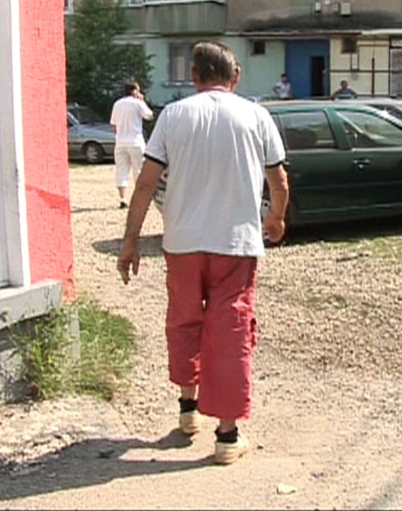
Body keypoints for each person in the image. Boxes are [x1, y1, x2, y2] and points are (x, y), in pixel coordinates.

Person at [117, 42, 289, 465]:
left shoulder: (174, 116)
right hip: (236, 244)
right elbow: (279, 180)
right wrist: (277, 218)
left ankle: (188, 412)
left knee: (184, 323)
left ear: (194, 76)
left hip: (182, 242)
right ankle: (227, 435)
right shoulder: (257, 116)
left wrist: (130, 241)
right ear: (236, 77)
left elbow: (144, 185)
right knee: (231, 330)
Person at [110, 81, 154, 208]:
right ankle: (140, 199)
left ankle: (123, 198)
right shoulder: (137, 103)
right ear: (134, 91)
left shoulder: (117, 104)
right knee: (139, 170)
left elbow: (113, 125)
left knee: (121, 170)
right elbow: (150, 116)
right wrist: (143, 101)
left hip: (120, 142)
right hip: (135, 141)